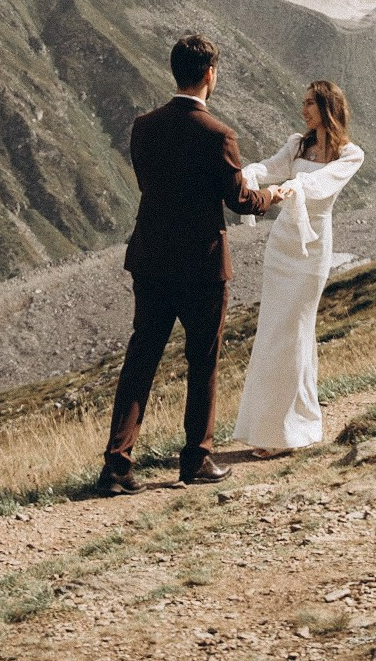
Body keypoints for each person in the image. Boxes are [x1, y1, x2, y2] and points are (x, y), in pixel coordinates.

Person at [96, 33, 286, 493]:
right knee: (203, 361)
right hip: (201, 264)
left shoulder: (143, 126)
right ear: (210, 74)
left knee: (142, 358)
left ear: (175, 71)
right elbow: (239, 200)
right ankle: (196, 458)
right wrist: (272, 195)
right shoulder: (218, 134)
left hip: (152, 256)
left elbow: (149, 183)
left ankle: (117, 465)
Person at [230, 80, 365, 454]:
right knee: (274, 331)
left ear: (327, 106)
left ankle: (285, 431)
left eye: (310, 102)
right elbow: (271, 169)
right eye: (303, 101)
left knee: (295, 331)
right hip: (282, 247)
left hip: (312, 250)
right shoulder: (297, 144)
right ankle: (279, 428)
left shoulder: (350, 154)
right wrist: (244, 175)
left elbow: (321, 185)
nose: (303, 108)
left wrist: (293, 186)